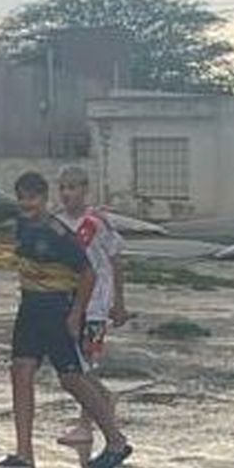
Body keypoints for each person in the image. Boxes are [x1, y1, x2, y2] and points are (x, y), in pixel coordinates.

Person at [0, 171, 131, 468]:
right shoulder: (22, 226)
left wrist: (76, 312)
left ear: (43, 199)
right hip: (29, 310)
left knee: (72, 378)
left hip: (57, 311)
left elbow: (89, 272)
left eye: (33, 198)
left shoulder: (58, 232)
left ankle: (116, 439)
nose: (27, 204)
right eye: (22, 198)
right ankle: (23, 455)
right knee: (21, 372)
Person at [53, 165, 130, 448]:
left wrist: (119, 303)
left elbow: (115, 261)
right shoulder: (57, 222)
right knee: (76, 363)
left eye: (72, 188)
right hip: (69, 301)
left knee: (86, 362)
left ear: (85, 190)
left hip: (96, 304)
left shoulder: (97, 222)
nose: (66, 194)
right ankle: (101, 401)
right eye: (62, 188)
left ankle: (86, 423)